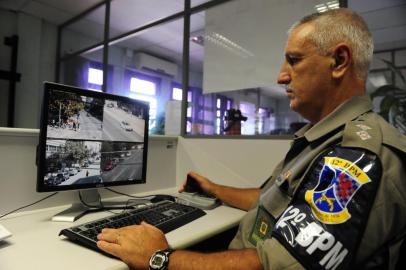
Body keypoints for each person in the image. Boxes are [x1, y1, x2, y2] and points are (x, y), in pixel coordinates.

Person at [97, 8, 406, 270]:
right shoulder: (322, 139)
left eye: (294, 60)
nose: (281, 76)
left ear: (339, 61)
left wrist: (161, 258)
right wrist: (214, 188)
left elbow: (278, 264)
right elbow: (270, 200)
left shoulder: (357, 156)